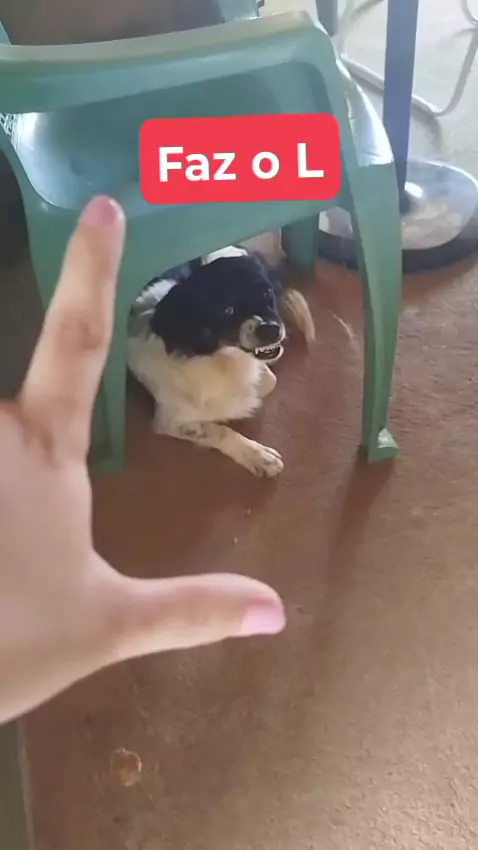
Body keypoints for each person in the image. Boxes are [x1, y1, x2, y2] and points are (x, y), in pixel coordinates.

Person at [0, 196, 285, 725]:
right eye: (235, 317)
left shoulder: (225, 312)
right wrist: (234, 444)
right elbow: (169, 423)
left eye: (266, 299)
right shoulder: (172, 362)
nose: (267, 323)